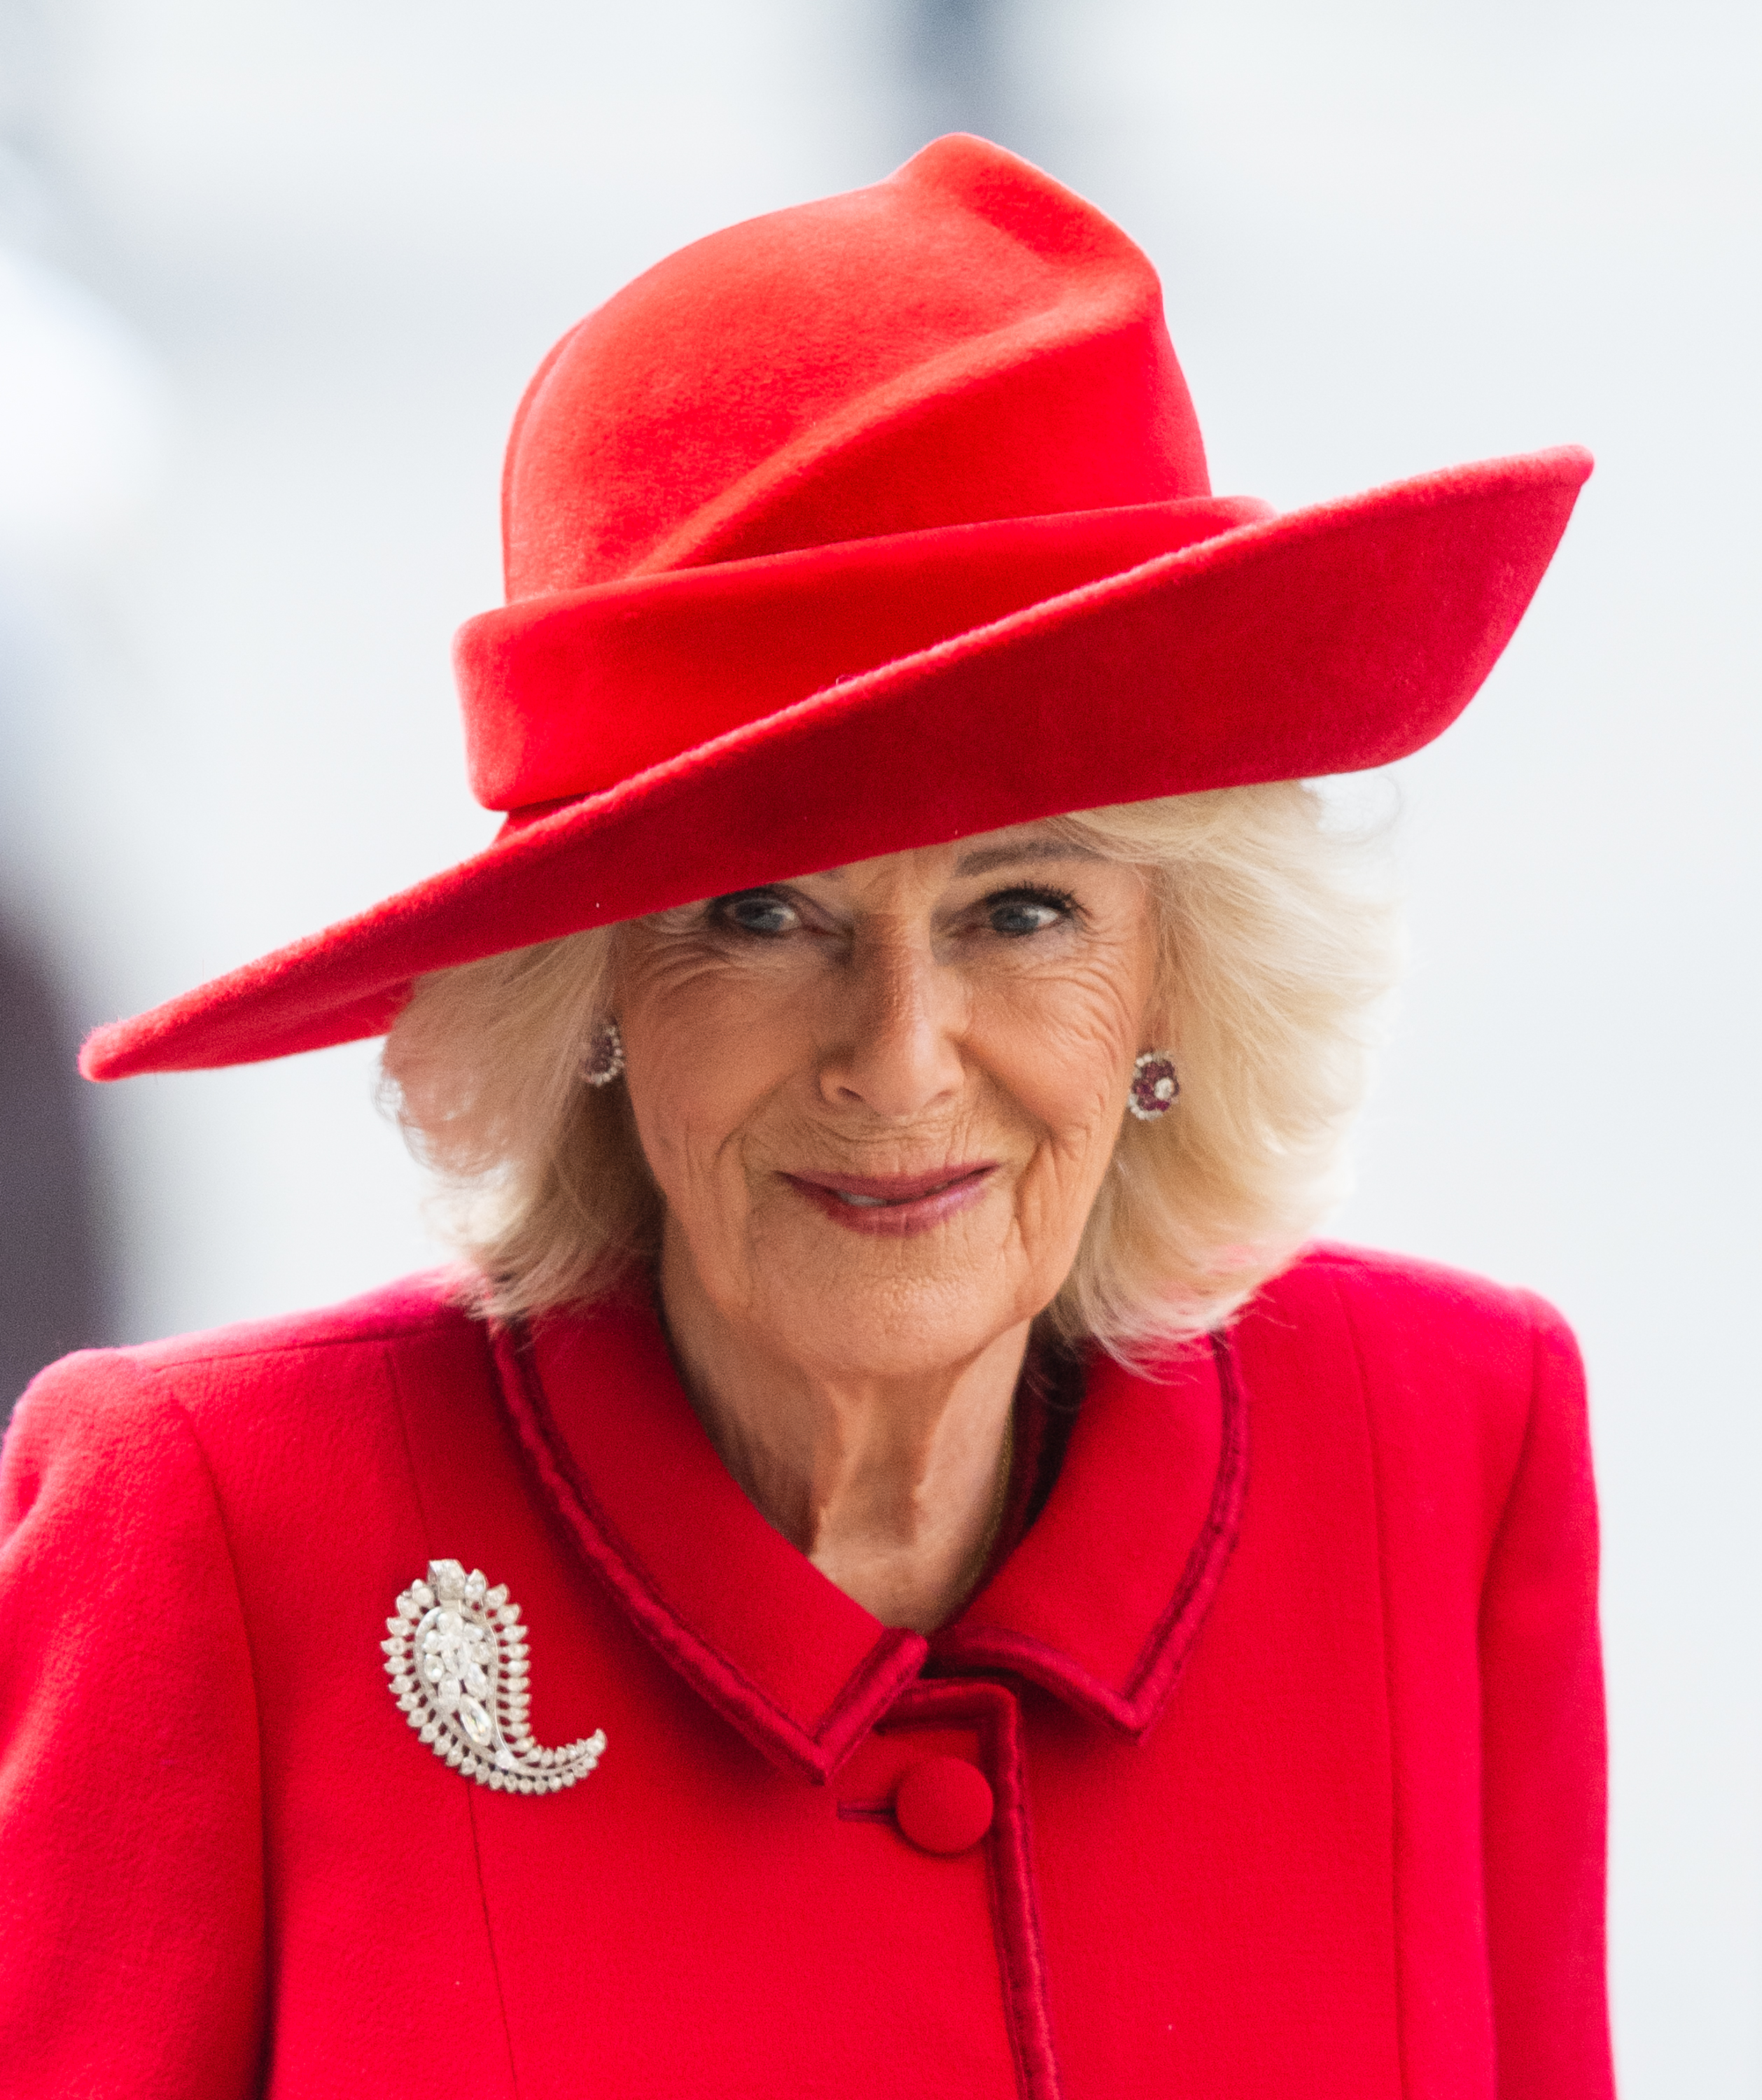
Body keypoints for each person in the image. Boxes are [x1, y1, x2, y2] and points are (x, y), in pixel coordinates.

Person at [0, 136, 1613, 2098]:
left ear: (1180, 977)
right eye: (762, 919)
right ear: (584, 992)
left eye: (1024, 912)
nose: (903, 1060)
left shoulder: (1441, 1443)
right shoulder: (228, 1537)